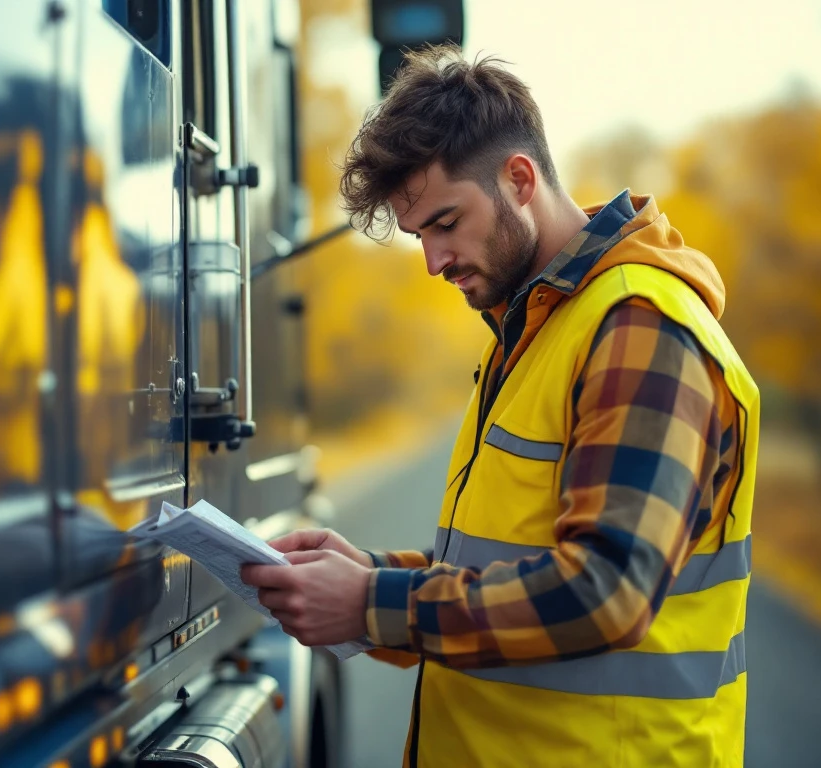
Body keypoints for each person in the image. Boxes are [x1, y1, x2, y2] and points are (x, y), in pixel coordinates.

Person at [241, 46, 759, 767]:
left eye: (447, 222)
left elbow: (606, 590)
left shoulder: (641, 326)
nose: (433, 261)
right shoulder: (536, 328)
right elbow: (513, 562)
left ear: (519, 179)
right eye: (421, 235)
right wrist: (369, 573)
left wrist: (369, 603)